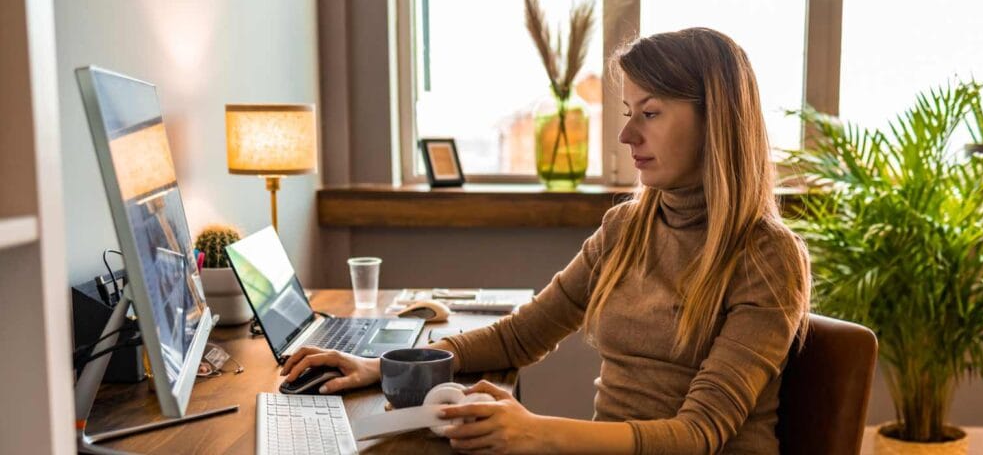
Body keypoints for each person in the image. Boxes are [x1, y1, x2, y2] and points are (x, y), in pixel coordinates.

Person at [282, 27, 811, 454]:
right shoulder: (625, 229)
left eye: (649, 114)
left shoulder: (766, 257)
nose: (627, 137)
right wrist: (386, 365)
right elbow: (520, 336)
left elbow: (698, 435)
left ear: (715, 122)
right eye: (628, 114)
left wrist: (535, 431)